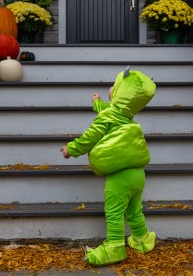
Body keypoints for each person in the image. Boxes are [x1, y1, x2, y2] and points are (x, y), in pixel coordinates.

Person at [60, 67, 157, 266]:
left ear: (122, 93)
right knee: (134, 210)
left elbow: (91, 136)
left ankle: (114, 247)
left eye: (115, 86)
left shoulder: (108, 117)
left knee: (114, 212)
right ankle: (142, 240)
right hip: (138, 175)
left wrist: (72, 148)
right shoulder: (127, 116)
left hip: (119, 177)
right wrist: (97, 103)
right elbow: (109, 110)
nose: (111, 88)